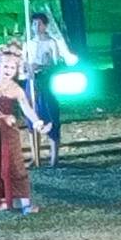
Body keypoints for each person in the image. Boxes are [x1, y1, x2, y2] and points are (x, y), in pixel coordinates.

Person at [0, 41, 49, 214]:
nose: (8, 70)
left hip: (8, 131)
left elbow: (27, 108)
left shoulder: (16, 89)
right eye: (5, 66)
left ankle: (23, 202)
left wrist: (37, 122)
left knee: (15, 164)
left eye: (12, 67)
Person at [23, 13, 76, 166]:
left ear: (45, 26)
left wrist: (41, 66)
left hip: (46, 81)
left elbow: (55, 63)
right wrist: (27, 69)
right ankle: (35, 156)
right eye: (34, 24)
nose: (36, 27)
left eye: (39, 24)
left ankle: (54, 158)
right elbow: (24, 62)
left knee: (49, 114)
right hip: (31, 81)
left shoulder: (51, 42)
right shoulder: (28, 43)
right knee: (32, 116)